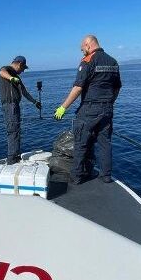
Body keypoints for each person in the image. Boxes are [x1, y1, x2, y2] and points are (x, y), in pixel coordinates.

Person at [53, 35, 122, 183]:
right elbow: (117, 88)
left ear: (88, 45)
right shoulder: (113, 62)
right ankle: (106, 176)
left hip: (89, 109)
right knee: (105, 143)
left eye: (82, 49)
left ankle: (77, 177)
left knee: (81, 143)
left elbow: (78, 87)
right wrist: (109, 102)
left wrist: (62, 107)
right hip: (107, 109)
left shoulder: (88, 60)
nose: (82, 52)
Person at [0, 56, 42, 164]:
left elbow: (24, 92)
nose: (23, 71)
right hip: (10, 106)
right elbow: (1, 72)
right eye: (23, 68)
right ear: (19, 64)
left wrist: (35, 102)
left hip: (14, 106)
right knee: (13, 131)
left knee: (16, 130)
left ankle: (15, 156)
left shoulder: (17, 76)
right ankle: (12, 159)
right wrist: (11, 78)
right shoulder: (7, 70)